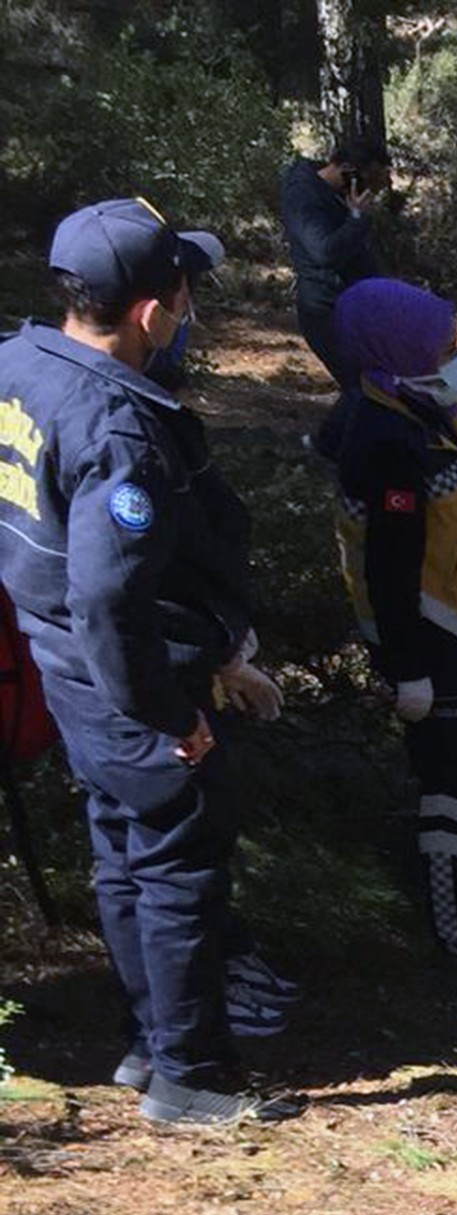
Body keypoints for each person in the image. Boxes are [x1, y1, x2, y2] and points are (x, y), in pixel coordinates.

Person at [0, 199, 292, 1125]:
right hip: (123, 675)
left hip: (61, 657)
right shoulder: (118, 431)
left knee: (122, 851)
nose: (190, 306)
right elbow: (109, 595)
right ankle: (191, 1075)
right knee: (176, 863)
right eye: (185, 289)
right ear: (150, 312)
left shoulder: (19, 364)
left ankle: (150, 1046)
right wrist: (170, 712)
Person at [327, 278, 457, 985]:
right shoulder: (387, 442)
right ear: (399, 351)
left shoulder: (409, 406)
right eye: (445, 348)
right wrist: (408, 670)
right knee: (448, 787)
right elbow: (390, 567)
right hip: (432, 647)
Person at [279, 146, 388, 384]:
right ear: (348, 170)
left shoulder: (335, 194)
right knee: (363, 386)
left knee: (374, 384)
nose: (368, 189)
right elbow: (324, 252)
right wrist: (359, 218)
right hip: (326, 306)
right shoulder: (304, 195)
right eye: (368, 179)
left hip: (355, 303)